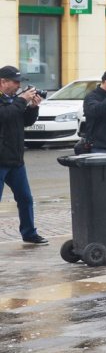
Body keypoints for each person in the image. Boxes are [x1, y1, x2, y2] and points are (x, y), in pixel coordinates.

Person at [0, 66, 47, 244]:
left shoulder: (14, 100)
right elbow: (5, 115)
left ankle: (29, 233)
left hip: (16, 159)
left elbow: (25, 121)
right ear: (3, 82)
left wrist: (33, 107)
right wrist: (22, 100)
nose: (19, 86)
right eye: (15, 82)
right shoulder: (13, 101)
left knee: (25, 198)